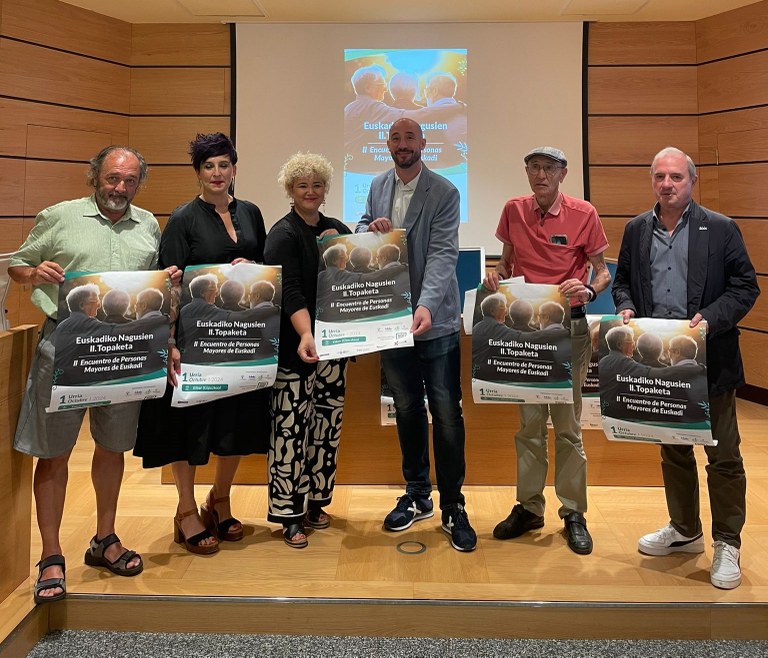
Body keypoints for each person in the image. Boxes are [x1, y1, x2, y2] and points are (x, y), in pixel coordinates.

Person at [9, 145, 174, 603]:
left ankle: (104, 539)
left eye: (129, 180)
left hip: (125, 351)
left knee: (112, 447)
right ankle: (51, 554)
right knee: (54, 453)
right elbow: (17, 265)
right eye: (112, 179)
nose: (120, 188)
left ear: (140, 183)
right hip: (65, 346)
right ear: (94, 178)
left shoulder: (148, 224)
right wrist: (33, 272)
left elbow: (151, 286)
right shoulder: (59, 216)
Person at [612, 146, 759, 589]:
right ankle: (685, 529)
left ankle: (727, 542)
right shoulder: (636, 229)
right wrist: (626, 308)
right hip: (657, 361)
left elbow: (745, 286)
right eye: (659, 176)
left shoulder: (720, 228)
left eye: (676, 176)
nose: (667, 184)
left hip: (709, 360)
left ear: (691, 182)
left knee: (722, 455)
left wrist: (712, 319)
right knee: (673, 448)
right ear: (651, 181)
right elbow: (621, 283)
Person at [134, 133, 270, 556]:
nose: (217, 173)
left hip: (243, 339)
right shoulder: (182, 219)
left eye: (224, 165)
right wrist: (170, 341)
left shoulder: (252, 212)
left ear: (234, 168)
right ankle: (186, 510)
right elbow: (168, 283)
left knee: (236, 425)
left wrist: (255, 267)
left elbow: (267, 269)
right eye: (208, 166)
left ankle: (221, 499)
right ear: (198, 172)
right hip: (196, 342)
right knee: (189, 428)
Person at [356, 118, 477, 552]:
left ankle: (453, 504)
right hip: (392, 322)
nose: (402, 144)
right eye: (395, 137)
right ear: (386, 144)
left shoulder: (445, 191)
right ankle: (417, 493)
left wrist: (425, 305)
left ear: (423, 144)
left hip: (436, 320)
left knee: (446, 411)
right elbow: (363, 231)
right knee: (406, 408)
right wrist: (369, 231)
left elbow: (445, 253)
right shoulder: (376, 186)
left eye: (410, 137)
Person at [483, 146, 611, 555]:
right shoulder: (513, 210)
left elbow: (603, 271)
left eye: (549, 169)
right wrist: (495, 275)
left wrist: (590, 288)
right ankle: (530, 507)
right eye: (534, 168)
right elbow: (506, 263)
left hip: (568, 329)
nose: (540, 175)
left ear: (563, 173)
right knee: (529, 426)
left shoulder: (583, 213)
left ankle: (573, 512)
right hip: (523, 330)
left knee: (569, 427)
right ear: (527, 172)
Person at [263, 152, 351, 548]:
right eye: (302, 186)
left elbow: (354, 284)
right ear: (290, 191)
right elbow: (290, 290)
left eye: (317, 185)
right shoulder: (283, 234)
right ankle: (289, 513)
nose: (311, 192)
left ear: (326, 189)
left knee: (325, 429)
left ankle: (315, 502)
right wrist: (305, 334)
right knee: (290, 430)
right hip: (296, 349)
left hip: (334, 350)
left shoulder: (337, 229)